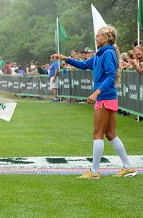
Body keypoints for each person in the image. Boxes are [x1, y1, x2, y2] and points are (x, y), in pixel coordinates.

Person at [53, 25, 137, 179]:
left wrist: (96, 93)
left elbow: (111, 76)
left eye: (98, 36)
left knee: (97, 134)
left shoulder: (107, 53)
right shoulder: (101, 53)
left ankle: (94, 171)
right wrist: (65, 58)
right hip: (107, 97)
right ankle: (128, 167)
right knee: (110, 134)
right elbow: (85, 65)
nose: (96, 38)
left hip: (105, 97)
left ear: (106, 38)